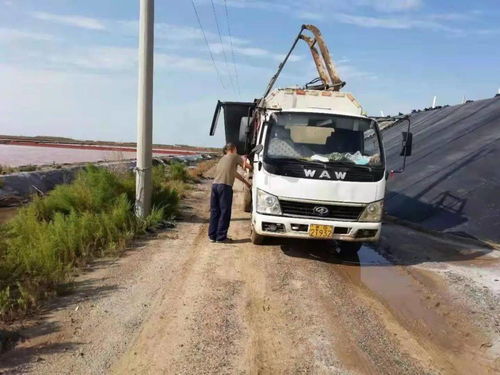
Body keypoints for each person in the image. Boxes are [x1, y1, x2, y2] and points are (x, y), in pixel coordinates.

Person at [209, 143, 252, 243]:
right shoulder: (235, 156)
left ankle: (212, 236)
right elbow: (248, 167)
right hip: (225, 187)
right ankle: (221, 237)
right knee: (225, 212)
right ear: (233, 149)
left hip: (215, 186)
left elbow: (234, 173)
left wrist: (246, 183)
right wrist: (245, 159)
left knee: (215, 212)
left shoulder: (223, 158)